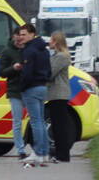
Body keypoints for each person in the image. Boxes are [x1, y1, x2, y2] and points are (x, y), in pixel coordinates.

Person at [16, 23, 51, 168]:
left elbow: (27, 73)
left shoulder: (29, 51)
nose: (21, 37)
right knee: (41, 122)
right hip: (42, 87)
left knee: (36, 122)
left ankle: (37, 153)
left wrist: (22, 87)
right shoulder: (44, 50)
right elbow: (49, 70)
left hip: (31, 88)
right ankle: (44, 154)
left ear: (32, 34)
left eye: (24, 34)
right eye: (20, 34)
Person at [0, 27, 27, 158]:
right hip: (15, 90)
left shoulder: (27, 49)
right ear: (14, 36)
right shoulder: (7, 52)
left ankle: (38, 149)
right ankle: (20, 150)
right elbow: (2, 73)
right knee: (17, 121)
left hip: (28, 89)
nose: (20, 39)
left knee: (36, 119)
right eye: (18, 36)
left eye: (22, 36)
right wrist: (13, 68)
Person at [46, 31, 73, 163]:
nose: (49, 42)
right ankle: (60, 153)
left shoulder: (61, 57)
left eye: (51, 40)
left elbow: (50, 73)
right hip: (55, 94)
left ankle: (63, 154)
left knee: (60, 126)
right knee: (57, 125)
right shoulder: (57, 56)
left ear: (56, 41)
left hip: (59, 94)